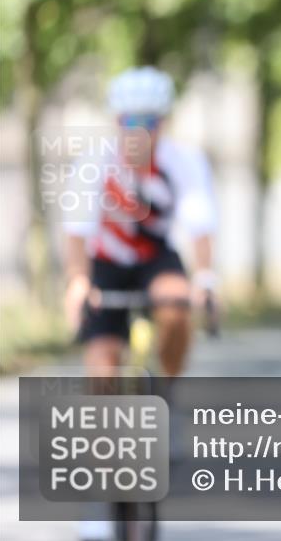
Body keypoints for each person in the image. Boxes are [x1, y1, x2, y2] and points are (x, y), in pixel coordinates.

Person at [63, 66, 220, 381]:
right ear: (116, 122)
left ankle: (168, 385)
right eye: (130, 121)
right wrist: (78, 282)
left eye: (149, 122)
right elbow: (77, 232)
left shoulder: (184, 161)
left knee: (176, 307)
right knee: (103, 372)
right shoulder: (93, 163)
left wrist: (204, 279)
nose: (139, 131)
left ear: (163, 123)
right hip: (106, 261)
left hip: (156, 257)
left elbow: (199, 225)